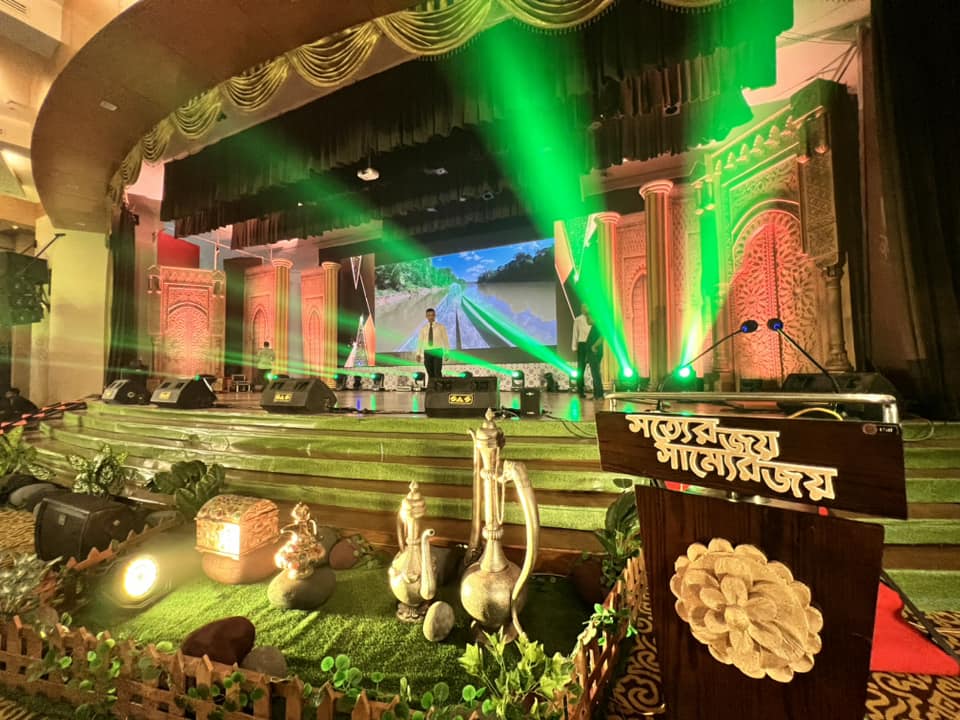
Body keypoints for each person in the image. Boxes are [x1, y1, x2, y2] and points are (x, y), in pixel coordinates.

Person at [571, 304, 604, 400]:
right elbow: (575, 333)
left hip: (592, 345)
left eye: (587, 307)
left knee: (595, 371)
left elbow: (601, 336)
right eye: (583, 307)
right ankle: (581, 391)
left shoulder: (596, 320)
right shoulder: (579, 319)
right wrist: (574, 346)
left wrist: (594, 346)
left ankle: (598, 394)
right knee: (581, 369)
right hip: (582, 344)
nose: (585, 309)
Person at [415, 308, 449, 383]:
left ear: (435, 316)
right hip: (427, 352)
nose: (431, 317)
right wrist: (418, 354)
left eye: (432, 315)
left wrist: (447, 353)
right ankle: (432, 387)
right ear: (426, 316)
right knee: (430, 372)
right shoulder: (423, 328)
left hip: (437, 351)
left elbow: (445, 340)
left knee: (437, 372)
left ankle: (439, 387)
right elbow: (420, 342)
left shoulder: (441, 327)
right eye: (429, 315)